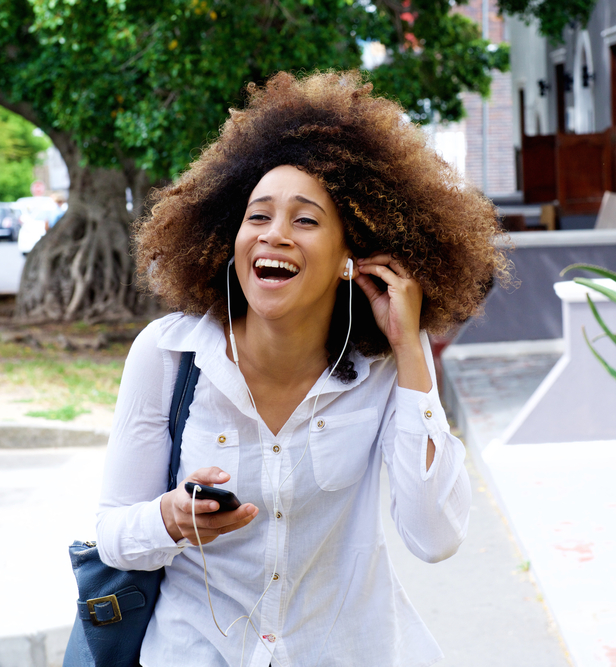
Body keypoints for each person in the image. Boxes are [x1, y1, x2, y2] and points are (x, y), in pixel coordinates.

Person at [95, 71, 509, 667]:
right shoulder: (167, 356)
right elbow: (112, 535)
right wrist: (171, 520)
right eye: (257, 217)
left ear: (349, 257)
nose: (275, 235)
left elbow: (436, 536)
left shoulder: (384, 369)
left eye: (306, 220)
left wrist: (411, 349)